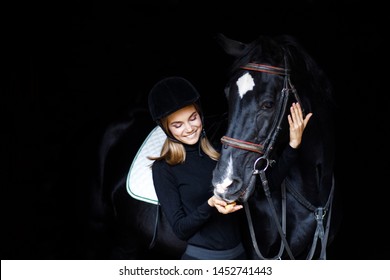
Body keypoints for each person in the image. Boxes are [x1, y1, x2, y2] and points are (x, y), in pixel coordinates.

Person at [147, 76, 312, 260]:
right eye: (177, 125)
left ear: (200, 113)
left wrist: (293, 146)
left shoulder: (221, 153)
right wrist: (211, 204)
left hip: (240, 256)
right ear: (167, 129)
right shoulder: (163, 169)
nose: (189, 128)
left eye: (192, 118)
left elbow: (265, 187)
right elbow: (180, 229)